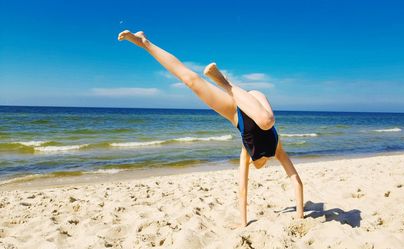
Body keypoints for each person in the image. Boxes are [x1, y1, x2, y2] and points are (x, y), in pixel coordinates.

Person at [118, 30, 304, 227]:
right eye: (257, 165)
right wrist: (299, 215)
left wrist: (243, 224)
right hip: (256, 99)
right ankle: (224, 82)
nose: (257, 166)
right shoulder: (277, 147)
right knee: (267, 121)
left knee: (191, 81)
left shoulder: (246, 152)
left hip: (239, 109)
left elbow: (243, 188)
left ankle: (145, 42)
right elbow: (296, 180)